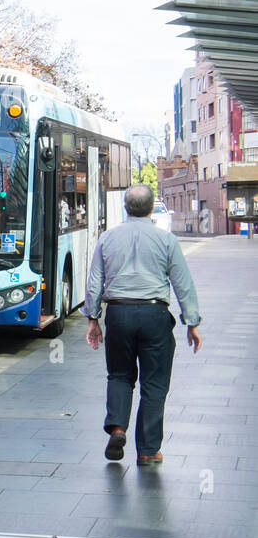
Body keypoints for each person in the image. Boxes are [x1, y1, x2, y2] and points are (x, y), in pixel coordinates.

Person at [83, 184, 202, 466]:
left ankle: (118, 427)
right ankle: (148, 450)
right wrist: (192, 322)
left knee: (120, 375)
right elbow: (183, 284)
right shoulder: (167, 240)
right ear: (151, 210)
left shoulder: (107, 238)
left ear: (125, 207)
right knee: (154, 384)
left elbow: (93, 283)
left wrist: (92, 318)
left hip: (119, 314)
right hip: (154, 314)